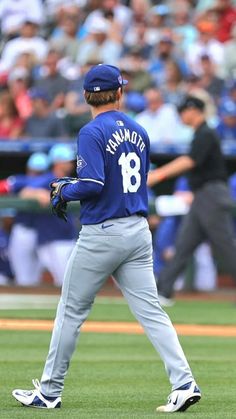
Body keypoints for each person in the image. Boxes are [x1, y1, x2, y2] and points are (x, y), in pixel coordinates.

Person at [12, 64, 201, 413]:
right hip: (137, 230)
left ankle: (50, 391)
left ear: (86, 96)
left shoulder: (90, 131)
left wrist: (64, 189)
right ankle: (184, 382)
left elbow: (94, 184)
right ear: (119, 92)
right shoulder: (139, 130)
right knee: (152, 312)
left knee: (70, 312)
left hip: (103, 233)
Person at [148, 95, 236, 305]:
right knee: (184, 245)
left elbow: (189, 160)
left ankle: (164, 290)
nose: (181, 115)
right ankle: (164, 292)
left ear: (194, 110)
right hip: (202, 196)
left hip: (212, 196)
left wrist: (157, 175)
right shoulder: (200, 134)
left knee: (225, 248)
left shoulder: (206, 132)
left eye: (183, 111)